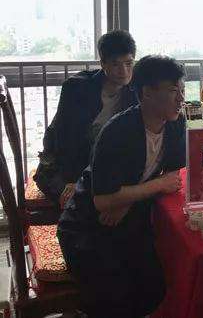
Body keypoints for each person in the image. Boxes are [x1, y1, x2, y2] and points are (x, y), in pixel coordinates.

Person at [57, 55, 186, 318]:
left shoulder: (175, 124)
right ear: (147, 93)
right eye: (174, 91)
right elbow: (102, 202)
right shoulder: (118, 131)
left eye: (182, 90)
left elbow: (174, 176)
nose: (181, 99)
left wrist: (126, 199)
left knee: (157, 284)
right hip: (87, 226)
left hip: (129, 217)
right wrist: (152, 186)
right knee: (115, 295)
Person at [34, 30, 138, 207]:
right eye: (115, 64)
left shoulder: (134, 90)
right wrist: (73, 179)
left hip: (104, 167)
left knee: (127, 198)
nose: (124, 71)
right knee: (83, 202)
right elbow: (64, 139)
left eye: (129, 63)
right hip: (62, 166)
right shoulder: (77, 89)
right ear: (103, 63)